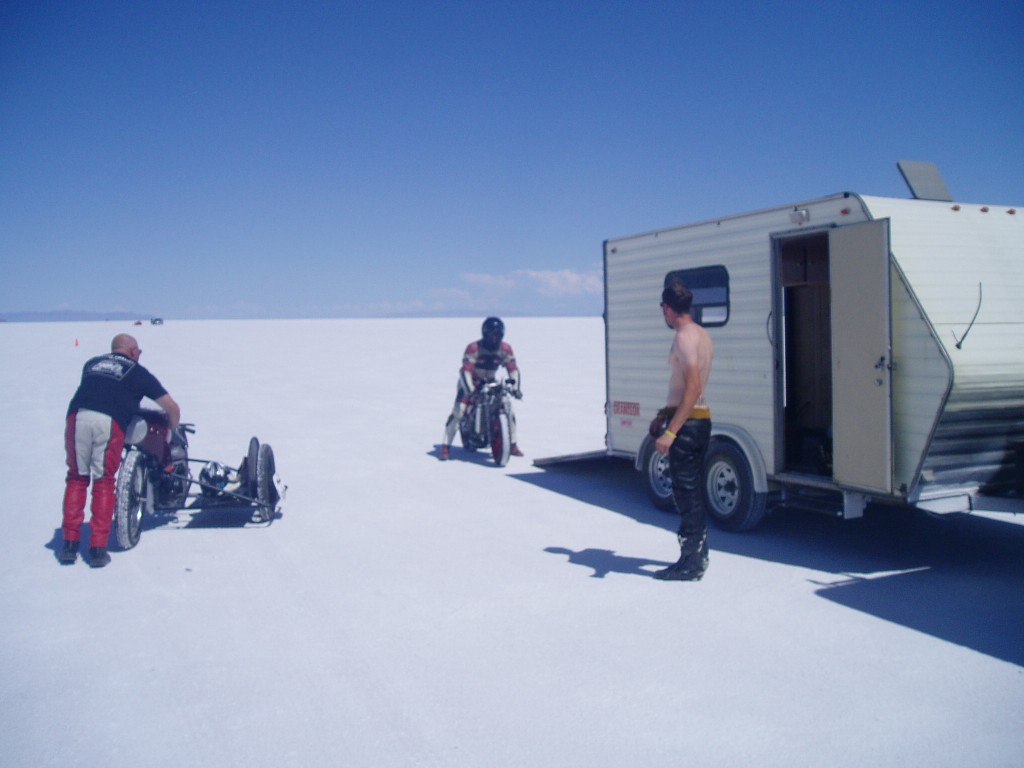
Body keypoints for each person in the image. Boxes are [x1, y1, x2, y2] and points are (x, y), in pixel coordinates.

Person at [59, 334, 180, 567]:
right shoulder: (137, 372)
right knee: (103, 481)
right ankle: (97, 548)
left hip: (76, 418)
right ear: (133, 351)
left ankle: (69, 545)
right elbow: (171, 407)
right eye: (139, 352)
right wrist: (170, 430)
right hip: (108, 422)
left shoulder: (92, 363)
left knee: (76, 478)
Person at [652, 278, 714, 581]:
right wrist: (662, 415)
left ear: (667, 308)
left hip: (687, 426)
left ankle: (691, 563)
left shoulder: (684, 337)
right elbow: (683, 389)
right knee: (692, 491)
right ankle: (697, 556)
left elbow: (692, 387)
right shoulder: (702, 334)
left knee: (685, 493)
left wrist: (671, 431)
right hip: (698, 420)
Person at [439, 316, 522, 461]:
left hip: (490, 382)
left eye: (497, 334)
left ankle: (512, 444)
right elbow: (465, 370)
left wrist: (515, 387)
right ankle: (446, 446)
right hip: (471, 382)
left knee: (508, 409)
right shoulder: (474, 348)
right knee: (459, 411)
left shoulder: (505, 349)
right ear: (485, 333)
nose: (494, 338)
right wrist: (470, 390)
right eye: (492, 334)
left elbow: (513, 368)